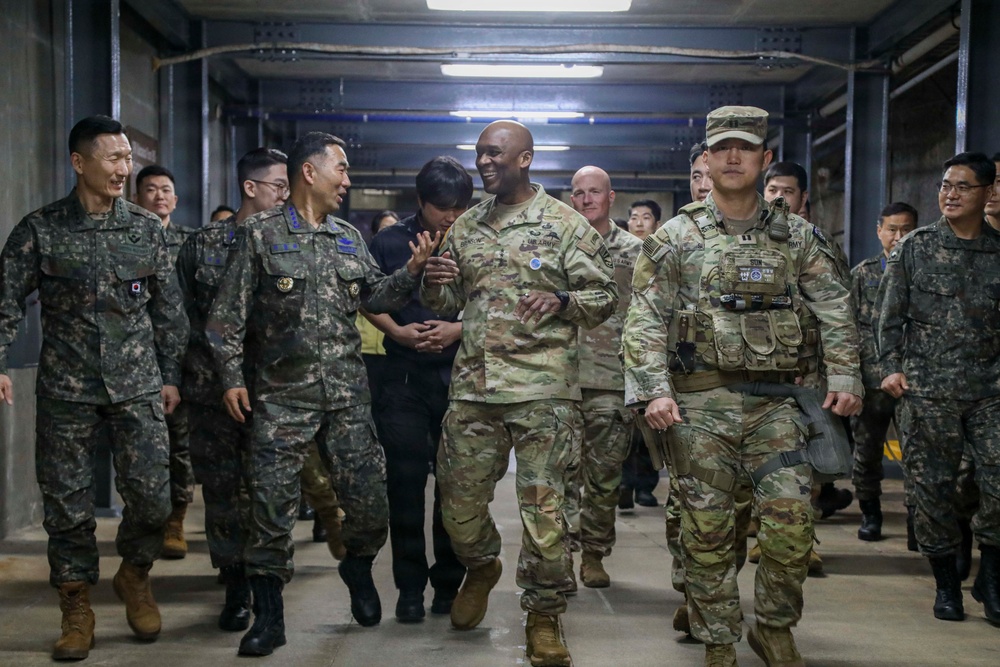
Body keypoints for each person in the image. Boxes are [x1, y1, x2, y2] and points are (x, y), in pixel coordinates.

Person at [622, 106, 862, 667]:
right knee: (706, 531)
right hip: (699, 405)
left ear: (764, 158)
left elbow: (833, 305)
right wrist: (654, 390)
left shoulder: (797, 236)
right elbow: (645, 317)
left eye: (746, 148)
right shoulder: (676, 236)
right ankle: (719, 640)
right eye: (722, 148)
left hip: (776, 403)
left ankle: (774, 627)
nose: (733, 157)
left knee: (789, 524)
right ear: (705, 159)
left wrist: (847, 377)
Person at [207, 131, 439, 656]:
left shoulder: (347, 237)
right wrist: (231, 379)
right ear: (309, 172)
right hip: (280, 399)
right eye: (342, 168)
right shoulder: (259, 235)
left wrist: (412, 271)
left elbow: (374, 296)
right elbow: (225, 321)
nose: (348, 180)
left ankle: (357, 567)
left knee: (369, 506)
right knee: (270, 511)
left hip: (347, 398)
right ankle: (269, 617)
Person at [421, 120, 617, 667]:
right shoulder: (466, 226)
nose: (484, 162)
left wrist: (562, 300)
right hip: (475, 390)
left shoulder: (565, 225)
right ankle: (482, 565)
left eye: (495, 154)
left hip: (543, 391)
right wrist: (433, 280)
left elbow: (603, 294)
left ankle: (545, 617)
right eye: (480, 154)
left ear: (525, 159)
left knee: (546, 515)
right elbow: (444, 304)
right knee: (456, 509)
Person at [0, 115, 188, 660]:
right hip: (68, 388)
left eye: (127, 158)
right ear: (79, 163)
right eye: (112, 158)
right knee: (67, 509)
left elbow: (169, 312)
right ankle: (76, 606)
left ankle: (135, 573)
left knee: (154, 500)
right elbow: (6, 299)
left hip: (137, 387)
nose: (123, 169)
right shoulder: (41, 229)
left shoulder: (145, 229)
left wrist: (170, 374)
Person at [875, 151, 1000, 625]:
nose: (950, 194)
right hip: (927, 391)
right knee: (933, 492)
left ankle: (991, 575)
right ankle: (946, 584)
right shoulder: (916, 247)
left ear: (988, 192)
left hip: (991, 390)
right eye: (946, 185)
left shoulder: (998, 250)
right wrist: (889, 367)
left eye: (963, 186)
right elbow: (888, 318)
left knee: (997, 484)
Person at [177, 147, 290, 632]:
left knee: (268, 491)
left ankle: (269, 582)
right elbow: (179, 318)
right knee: (222, 493)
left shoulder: (290, 241)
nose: (286, 195)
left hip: (273, 392)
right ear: (251, 187)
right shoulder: (202, 245)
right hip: (211, 393)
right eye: (279, 186)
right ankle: (234, 584)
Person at [364, 156, 472, 623]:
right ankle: (409, 588)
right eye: (441, 208)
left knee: (454, 487)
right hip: (402, 378)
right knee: (405, 487)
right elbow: (367, 297)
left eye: (458, 207)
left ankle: (448, 586)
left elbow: (494, 300)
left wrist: (459, 330)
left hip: (458, 377)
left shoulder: (475, 239)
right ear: (421, 202)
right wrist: (401, 332)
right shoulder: (388, 241)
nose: (450, 217)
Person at [763, 161, 854, 525]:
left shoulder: (816, 242)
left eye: (787, 191)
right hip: (761, 364)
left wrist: (841, 373)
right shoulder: (746, 236)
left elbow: (836, 308)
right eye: (772, 190)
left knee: (808, 452)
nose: (779, 197)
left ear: (803, 197)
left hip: (808, 368)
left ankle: (808, 524)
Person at [564, 166, 641, 590]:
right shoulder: (557, 243)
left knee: (603, 476)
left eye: (595, 192)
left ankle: (593, 552)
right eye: (579, 193)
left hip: (612, 378)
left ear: (612, 197)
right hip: (560, 377)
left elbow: (649, 315)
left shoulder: (636, 251)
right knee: (558, 475)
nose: (587, 199)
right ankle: (560, 555)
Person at [134, 164, 196, 559]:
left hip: (183, 358)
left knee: (180, 443)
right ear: (136, 197)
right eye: (151, 189)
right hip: (136, 359)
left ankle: (176, 519)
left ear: (176, 199)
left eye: (166, 190)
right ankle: (143, 522)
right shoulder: (127, 238)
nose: (159, 196)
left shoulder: (189, 243)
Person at [849, 202, 917, 542]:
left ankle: (917, 521)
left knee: (917, 456)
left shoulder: (923, 270)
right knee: (867, 450)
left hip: (914, 382)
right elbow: (847, 327)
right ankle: (871, 513)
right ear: (879, 231)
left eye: (906, 229)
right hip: (871, 381)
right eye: (892, 229)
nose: (898, 236)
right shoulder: (863, 274)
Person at [620, 198, 664, 511]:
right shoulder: (616, 254)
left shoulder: (662, 256)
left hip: (648, 346)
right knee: (621, 423)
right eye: (633, 217)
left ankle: (645, 487)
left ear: (656, 224)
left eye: (645, 217)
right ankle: (623, 484)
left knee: (650, 421)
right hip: (615, 347)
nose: (638, 222)